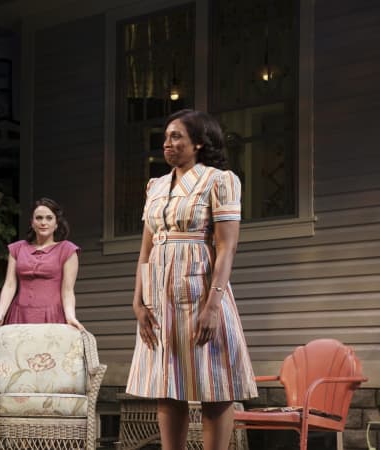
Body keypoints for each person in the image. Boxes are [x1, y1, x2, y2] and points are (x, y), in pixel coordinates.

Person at [126, 109, 257, 450]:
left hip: (199, 290)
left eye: (176, 136)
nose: (167, 143)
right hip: (160, 293)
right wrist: (138, 300)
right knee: (168, 386)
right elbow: (146, 248)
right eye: (166, 137)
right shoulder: (155, 186)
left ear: (198, 142)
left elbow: (226, 247)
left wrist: (214, 305)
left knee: (214, 385)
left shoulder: (219, 180)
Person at [0, 198, 83, 330]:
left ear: (56, 224)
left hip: (51, 315)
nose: (43, 222)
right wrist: (0, 315)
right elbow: (9, 284)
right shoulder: (17, 249)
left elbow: (67, 290)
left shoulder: (67, 249)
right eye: (39, 218)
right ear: (32, 223)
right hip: (19, 315)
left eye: (49, 218)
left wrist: (71, 317)